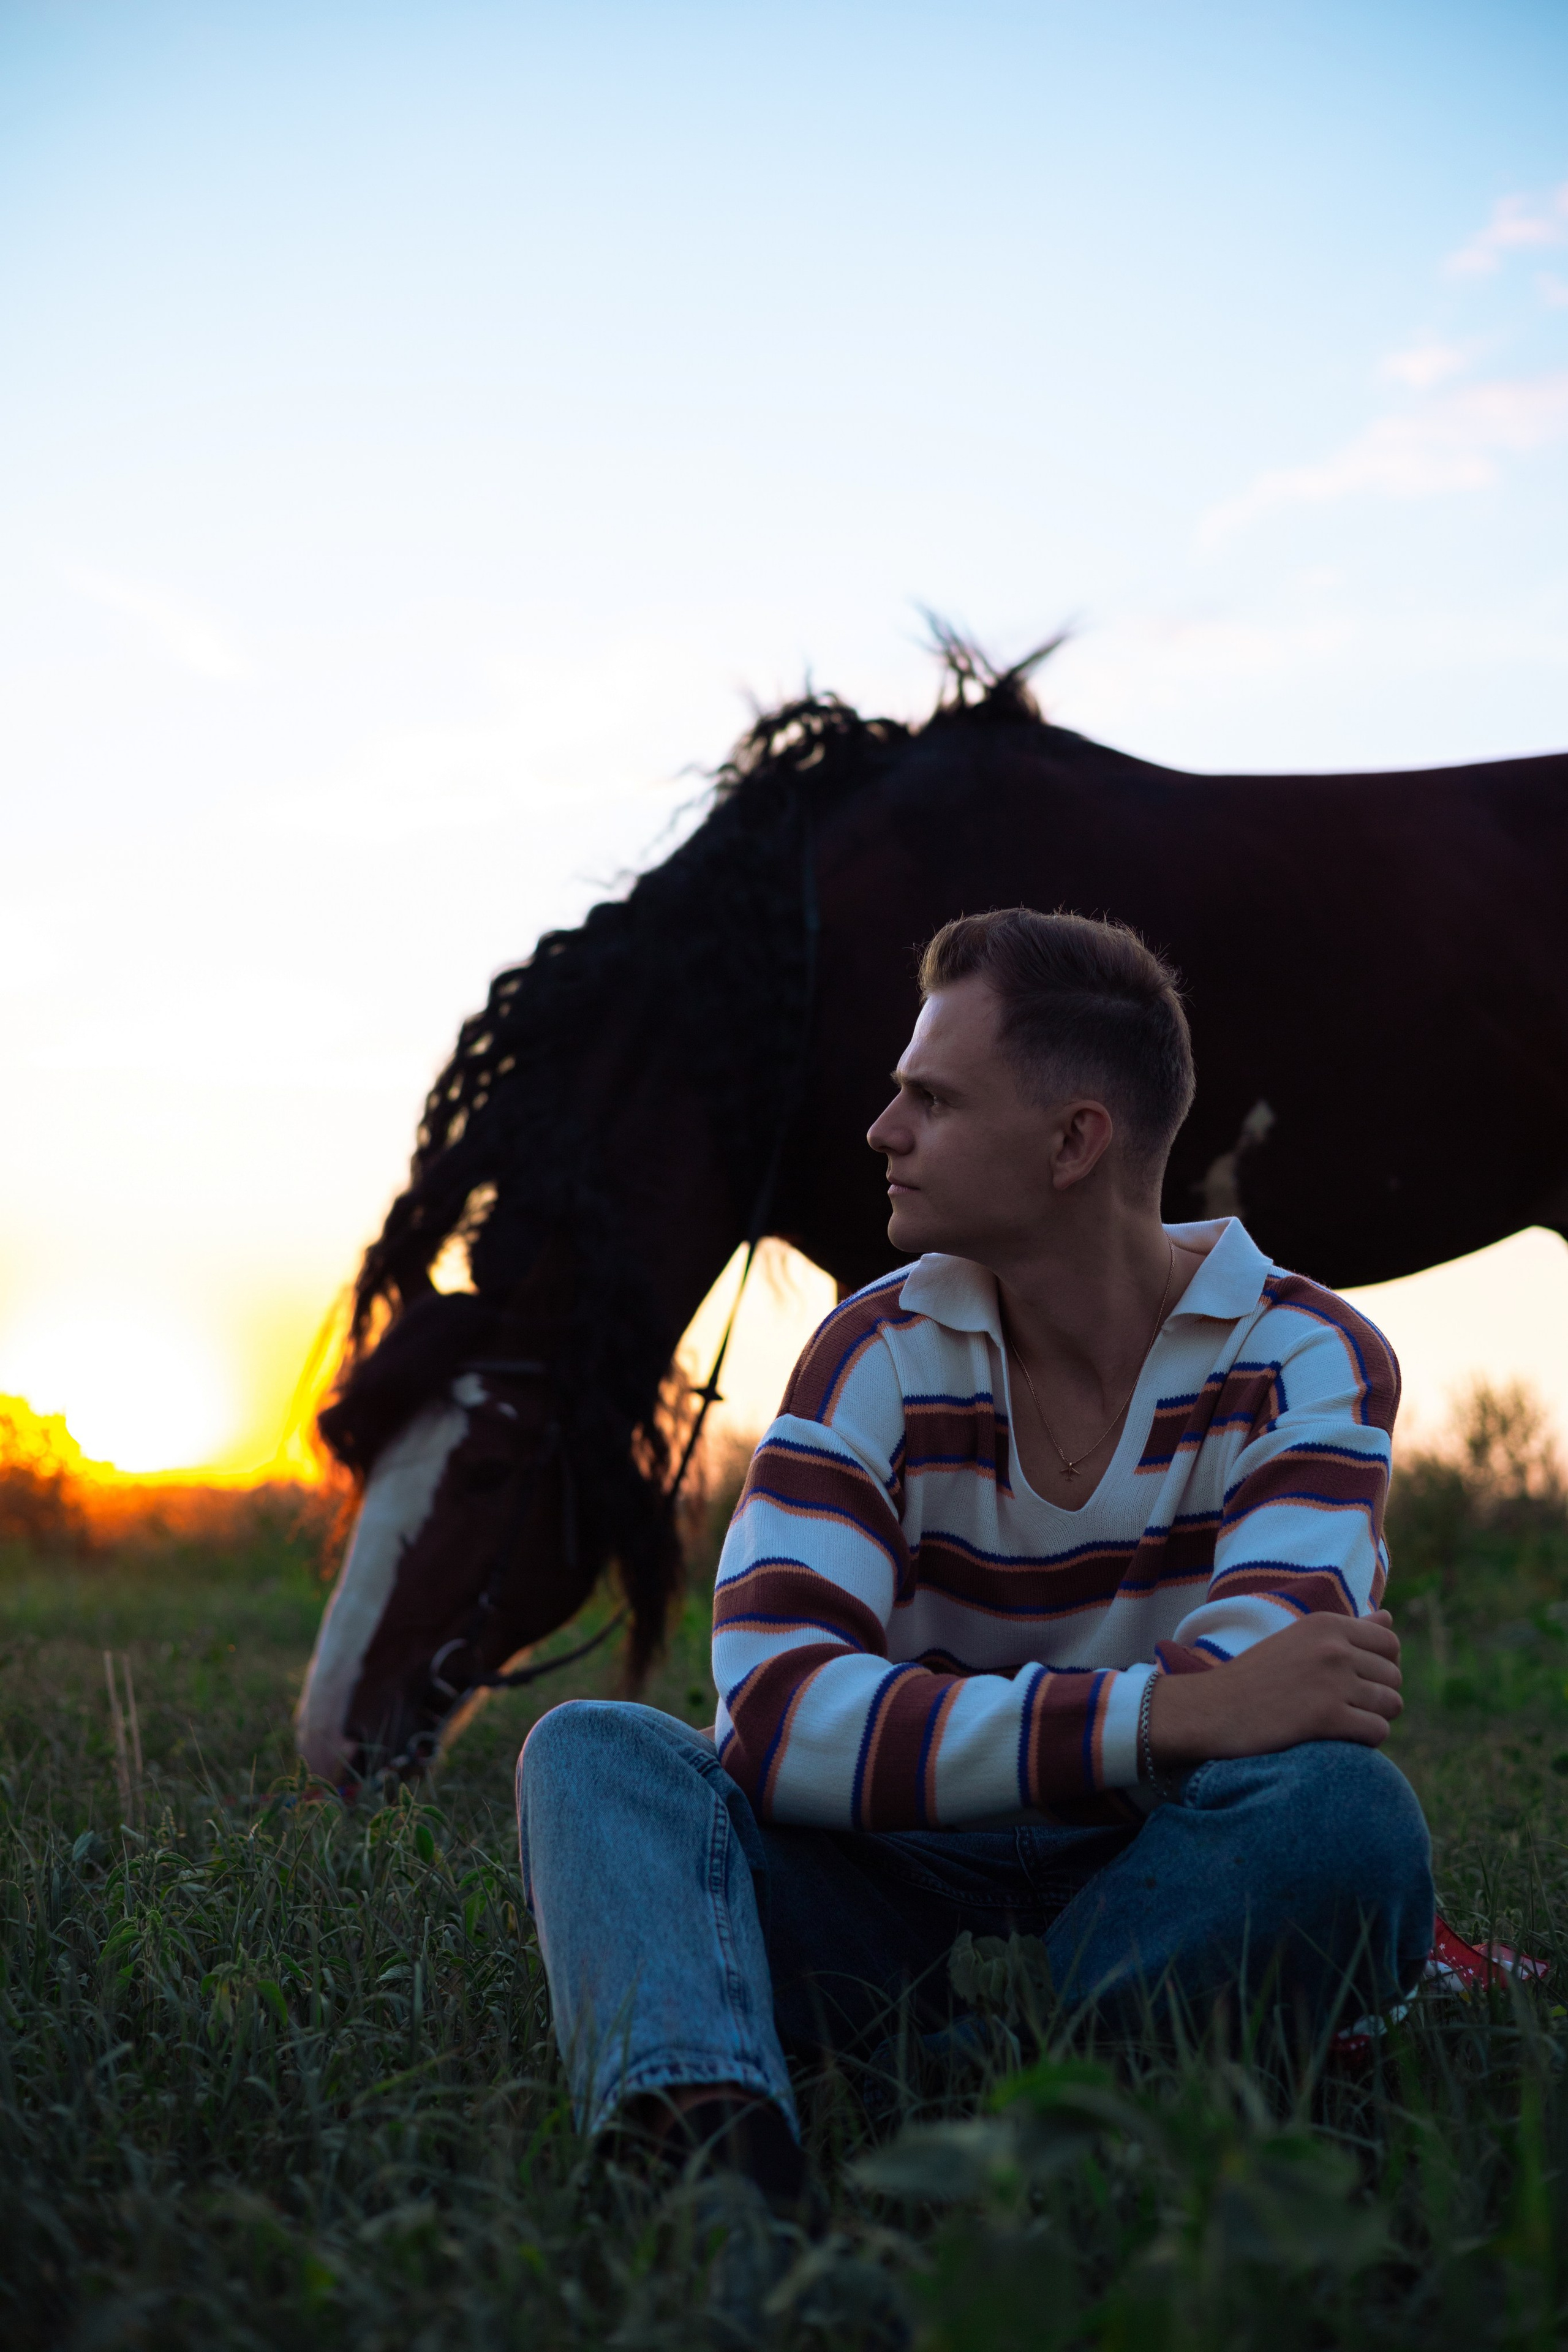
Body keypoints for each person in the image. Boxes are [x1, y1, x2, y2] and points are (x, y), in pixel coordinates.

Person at [516, 907, 1434, 2202]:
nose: (882, 1132)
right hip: (879, 1868)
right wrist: (1172, 1711)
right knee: (595, 1756)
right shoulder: (872, 1347)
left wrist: (1186, 1718)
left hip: (1153, 1870)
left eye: (929, 1100)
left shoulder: (1305, 1355)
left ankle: (1023, 2095)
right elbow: (775, 1717)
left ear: (1073, 1142)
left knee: (1341, 1816)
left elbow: (1276, 1700)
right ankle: (713, 2172)